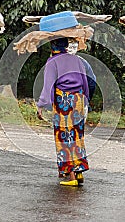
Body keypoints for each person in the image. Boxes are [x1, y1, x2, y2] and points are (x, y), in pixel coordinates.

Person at [36, 37, 90, 186]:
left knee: (64, 136)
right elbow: (85, 81)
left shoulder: (52, 61)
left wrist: (41, 105)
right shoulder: (77, 60)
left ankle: (70, 176)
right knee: (77, 135)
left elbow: (48, 85)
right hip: (78, 99)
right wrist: (85, 100)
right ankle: (79, 172)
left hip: (63, 101)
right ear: (66, 45)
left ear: (53, 45)